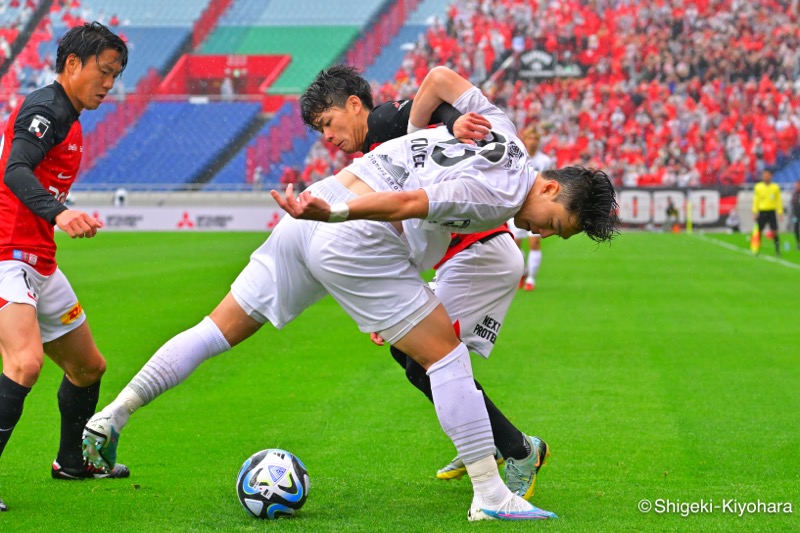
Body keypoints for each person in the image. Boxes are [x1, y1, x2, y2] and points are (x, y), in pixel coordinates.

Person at [84, 66, 618, 522]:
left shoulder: (503, 130)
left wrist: (414, 139)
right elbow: (409, 203)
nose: (544, 232)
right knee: (446, 358)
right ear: (548, 187)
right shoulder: (497, 197)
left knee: (215, 329)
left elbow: (440, 79)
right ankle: (491, 495)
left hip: (320, 199)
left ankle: (114, 415)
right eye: (556, 222)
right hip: (352, 230)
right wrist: (338, 215)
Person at [300, 65, 546, 500]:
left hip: (480, 250)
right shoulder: (371, 155)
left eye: (328, 124)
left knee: (422, 359)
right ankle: (487, 443)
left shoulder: (382, 123)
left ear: (354, 106)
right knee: (420, 357)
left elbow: (429, 97)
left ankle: (516, 449)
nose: (328, 138)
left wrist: (453, 120)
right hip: (468, 254)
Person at [0, 22, 129, 513]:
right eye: (104, 71)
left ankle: (71, 461)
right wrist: (62, 212)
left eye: (115, 75)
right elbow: (15, 171)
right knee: (25, 362)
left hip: (39, 261)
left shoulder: (70, 118)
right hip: (5, 254)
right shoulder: (46, 108)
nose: (109, 84)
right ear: (72, 64)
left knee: (87, 366)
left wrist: (62, 209)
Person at [506, 127, 554, 291]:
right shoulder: (517, 156)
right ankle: (523, 272)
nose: (533, 141)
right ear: (524, 139)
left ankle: (531, 280)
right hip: (516, 206)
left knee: (534, 242)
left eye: (536, 138)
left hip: (536, 208)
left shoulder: (545, 161)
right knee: (515, 245)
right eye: (530, 138)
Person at [751, 169, 783, 255]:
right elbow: (756, 200)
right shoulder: (758, 187)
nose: (765, 176)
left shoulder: (775, 187)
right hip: (762, 212)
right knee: (759, 231)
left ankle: (777, 250)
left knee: (775, 231)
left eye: (767, 175)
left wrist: (780, 212)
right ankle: (756, 249)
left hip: (771, 212)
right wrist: (755, 211)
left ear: (771, 176)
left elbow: (778, 201)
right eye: (764, 175)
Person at [791, 180, 800, 250]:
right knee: (796, 229)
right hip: (796, 215)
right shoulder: (794, 194)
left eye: (798, 185)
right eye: (796, 185)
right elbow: (792, 204)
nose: (796, 186)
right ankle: (798, 243)